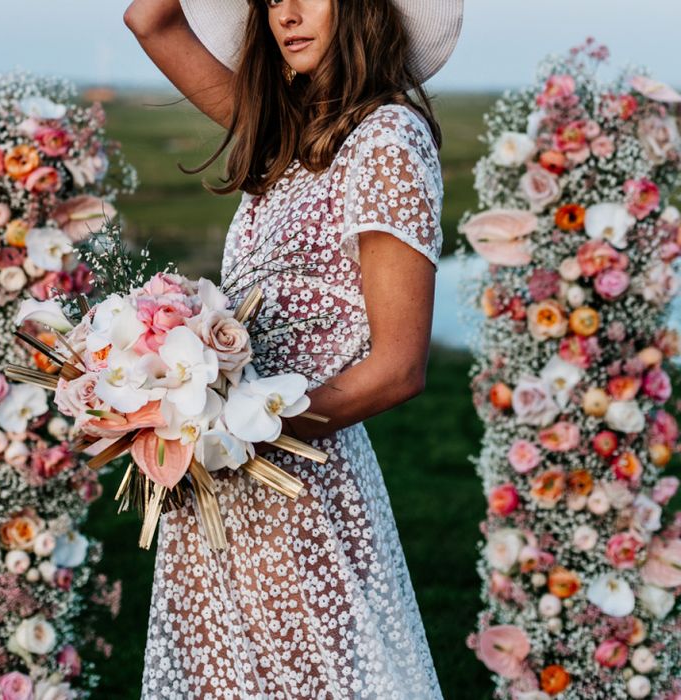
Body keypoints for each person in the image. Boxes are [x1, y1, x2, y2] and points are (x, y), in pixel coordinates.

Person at [123, 1, 463, 697]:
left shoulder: (387, 140)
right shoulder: (286, 137)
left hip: (298, 492)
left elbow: (397, 370)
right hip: (216, 490)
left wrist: (227, 427)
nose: (288, 12)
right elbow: (148, 18)